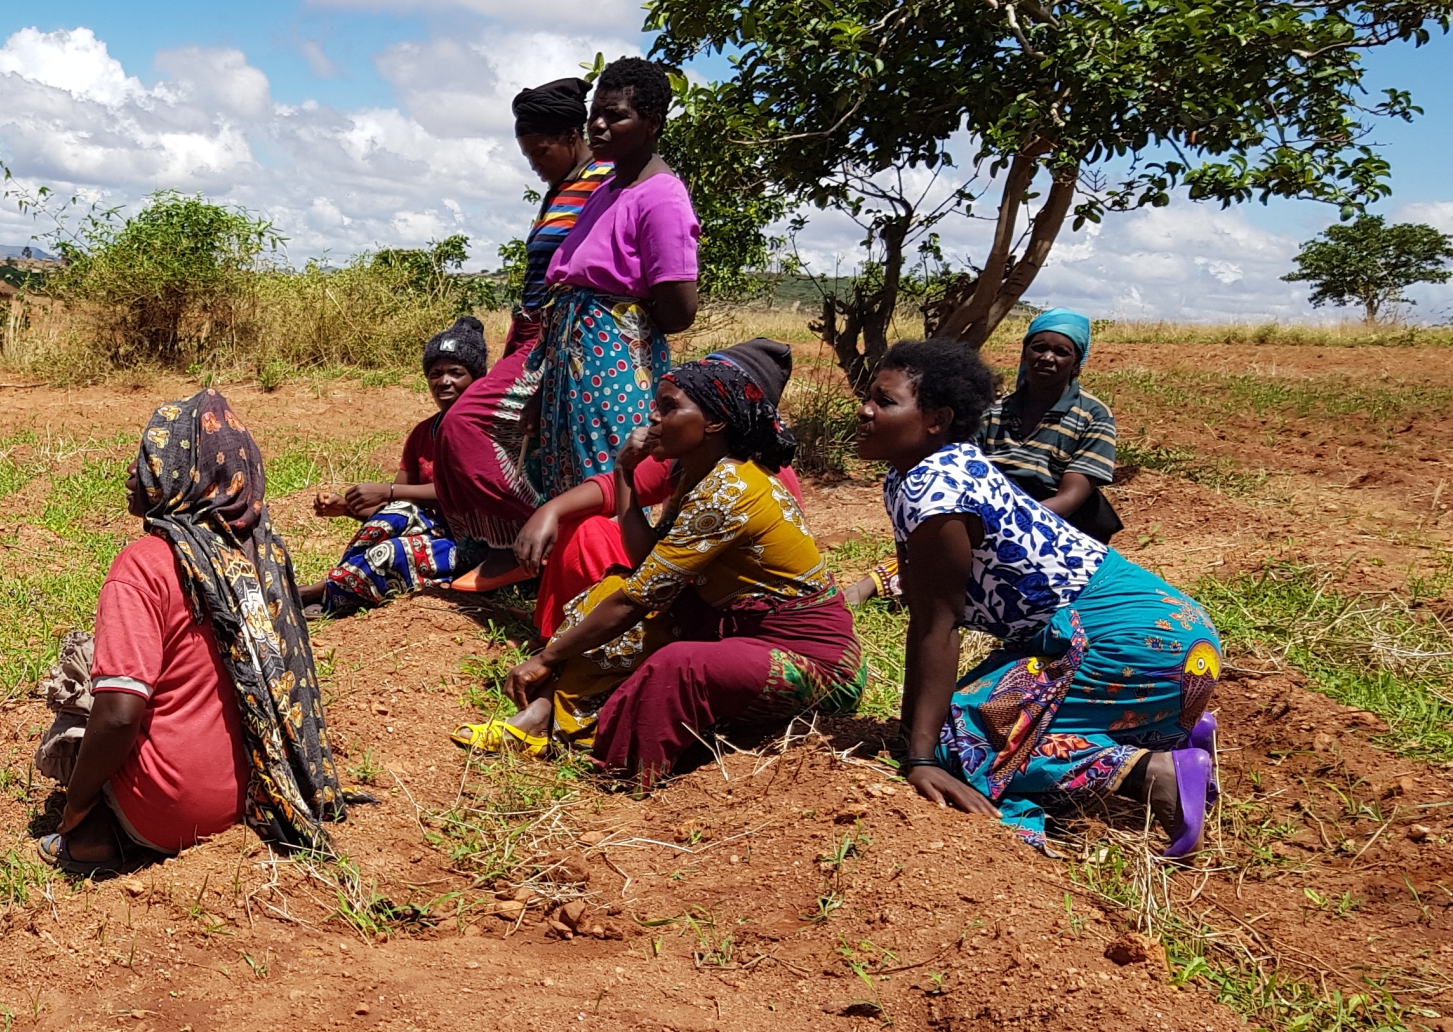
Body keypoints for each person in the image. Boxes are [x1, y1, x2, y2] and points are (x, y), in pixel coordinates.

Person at [854, 337, 1220, 855]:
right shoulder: (917, 472)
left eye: (885, 401)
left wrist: (922, 757)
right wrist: (911, 736)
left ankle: (1154, 770)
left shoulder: (935, 490)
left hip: (1134, 642)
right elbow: (921, 605)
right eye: (869, 396)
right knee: (951, 724)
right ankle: (1173, 727)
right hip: (1169, 636)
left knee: (960, 744)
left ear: (936, 419)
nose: (865, 410)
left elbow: (938, 624)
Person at [461, 354, 862, 777]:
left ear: (714, 422)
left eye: (668, 407)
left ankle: (615, 760)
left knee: (678, 665)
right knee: (614, 589)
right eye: (656, 405)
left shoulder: (732, 489)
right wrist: (623, 471)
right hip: (733, 629)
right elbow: (643, 564)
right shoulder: (698, 475)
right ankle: (540, 717)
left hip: (815, 662)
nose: (653, 417)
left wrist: (546, 656)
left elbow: (634, 603)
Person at [40, 391, 346, 872]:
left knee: (81, 684)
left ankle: (98, 835)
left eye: (148, 460)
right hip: (263, 790)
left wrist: (74, 808)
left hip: (175, 810)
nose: (132, 473)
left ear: (182, 476)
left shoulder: (144, 565)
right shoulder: (263, 552)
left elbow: (118, 716)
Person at [513, 337, 810, 642]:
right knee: (585, 530)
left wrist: (624, 471)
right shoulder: (686, 457)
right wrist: (550, 510)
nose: (654, 417)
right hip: (664, 577)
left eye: (673, 405)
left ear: (721, 416)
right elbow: (611, 494)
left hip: (713, 605)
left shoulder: (755, 480)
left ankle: (578, 645)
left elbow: (654, 572)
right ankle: (559, 635)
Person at [431, 79, 608, 549]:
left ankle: (533, 532)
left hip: (557, 337)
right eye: (528, 157)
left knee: (464, 425)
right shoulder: (561, 188)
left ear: (571, 136)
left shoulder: (605, 181)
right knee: (462, 438)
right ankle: (501, 543)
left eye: (540, 152)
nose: (535, 165)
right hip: (528, 331)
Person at [302, 318, 492, 615]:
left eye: (456, 372)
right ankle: (329, 589)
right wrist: (346, 507)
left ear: (477, 379)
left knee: (392, 553)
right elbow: (395, 508)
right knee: (395, 515)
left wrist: (389, 490)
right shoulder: (423, 433)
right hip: (433, 531)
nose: (444, 381)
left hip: (476, 547)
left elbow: (460, 493)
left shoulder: (486, 430)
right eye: (435, 373)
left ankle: (322, 595)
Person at [978, 309, 1120, 541]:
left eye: (1061, 352)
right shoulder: (992, 411)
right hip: (989, 516)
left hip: (1055, 527)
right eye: (1039, 348)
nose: (1047, 357)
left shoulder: (1094, 415)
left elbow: (1070, 497)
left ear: (1076, 364)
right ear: (1024, 354)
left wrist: (1011, 524)